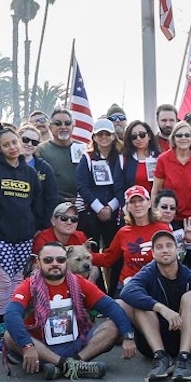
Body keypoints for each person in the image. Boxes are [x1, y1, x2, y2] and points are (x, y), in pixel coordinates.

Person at [3, 242, 135, 379]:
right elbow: (12, 314)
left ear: (66, 261)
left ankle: (67, 365)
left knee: (113, 327)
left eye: (60, 259)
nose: (55, 264)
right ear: (38, 262)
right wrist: (27, 345)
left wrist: (128, 336)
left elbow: (111, 307)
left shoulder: (79, 282)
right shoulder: (29, 285)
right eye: (48, 260)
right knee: (9, 335)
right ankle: (72, 366)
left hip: (77, 343)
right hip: (41, 347)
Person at [119, 230, 191, 381]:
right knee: (140, 303)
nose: (165, 250)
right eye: (159, 247)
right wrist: (161, 308)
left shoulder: (188, 275)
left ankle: (184, 359)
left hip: (182, 338)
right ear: (153, 253)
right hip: (151, 342)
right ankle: (160, 358)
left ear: (177, 249)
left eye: (169, 245)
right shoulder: (148, 272)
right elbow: (127, 291)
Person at [0, 128, 48, 337]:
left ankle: (14, 323)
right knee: (3, 281)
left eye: (14, 142)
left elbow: (36, 202)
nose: (12, 147)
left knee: (18, 281)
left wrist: (35, 227)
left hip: (23, 235)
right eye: (6, 144)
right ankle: (0, 325)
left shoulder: (30, 172)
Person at [152, 121, 191, 274]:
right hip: (169, 217)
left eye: (187, 135)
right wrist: (153, 215)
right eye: (179, 135)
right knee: (170, 256)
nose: (183, 138)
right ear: (173, 138)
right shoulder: (163, 159)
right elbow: (155, 191)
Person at [91, 186, 179, 290]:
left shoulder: (163, 229)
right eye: (132, 202)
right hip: (129, 284)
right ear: (127, 207)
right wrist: (84, 255)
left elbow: (173, 260)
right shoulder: (123, 232)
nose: (137, 205)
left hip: (156, 284)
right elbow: (108, 258)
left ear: (149, 203)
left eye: (141, 200)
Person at [76, 118, 125, 286]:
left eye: (107, 134)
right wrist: (99, 208)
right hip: (91, 213)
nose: (104, 137)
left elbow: (122, 185)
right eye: (100, 134)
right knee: (92, 253)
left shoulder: (120, 158)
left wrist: (110, 208)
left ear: (113, 136)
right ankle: (97, 291)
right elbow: (82, 186)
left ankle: (114, 290)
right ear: (94, 137)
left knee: (116, 254)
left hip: (114, 212)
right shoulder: (87, 157)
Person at [35, 109, 84, 206]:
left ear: (73, 126)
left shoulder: (83, 149)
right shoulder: (41, 150)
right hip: (52, 204)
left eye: (67, 123)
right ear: (50, 127)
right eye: (58, 123)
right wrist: (61, 199)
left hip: (81, 204)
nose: (63, 127)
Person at [18, 124, 59, 210]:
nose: (29, 144)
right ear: (17, 139)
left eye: (34, 142)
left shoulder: (44, 168)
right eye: (25, 140)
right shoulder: (6, 164)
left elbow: (52, 197)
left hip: (36, 216)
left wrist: (45, 217)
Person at [121, 120, 160, 194]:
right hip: (131, 200)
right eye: (134, 136)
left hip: (156, 200)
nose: (138, 138)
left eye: (142, 135)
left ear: (149, 136)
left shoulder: (160, 157)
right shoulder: (123, 158)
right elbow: (119, 186)